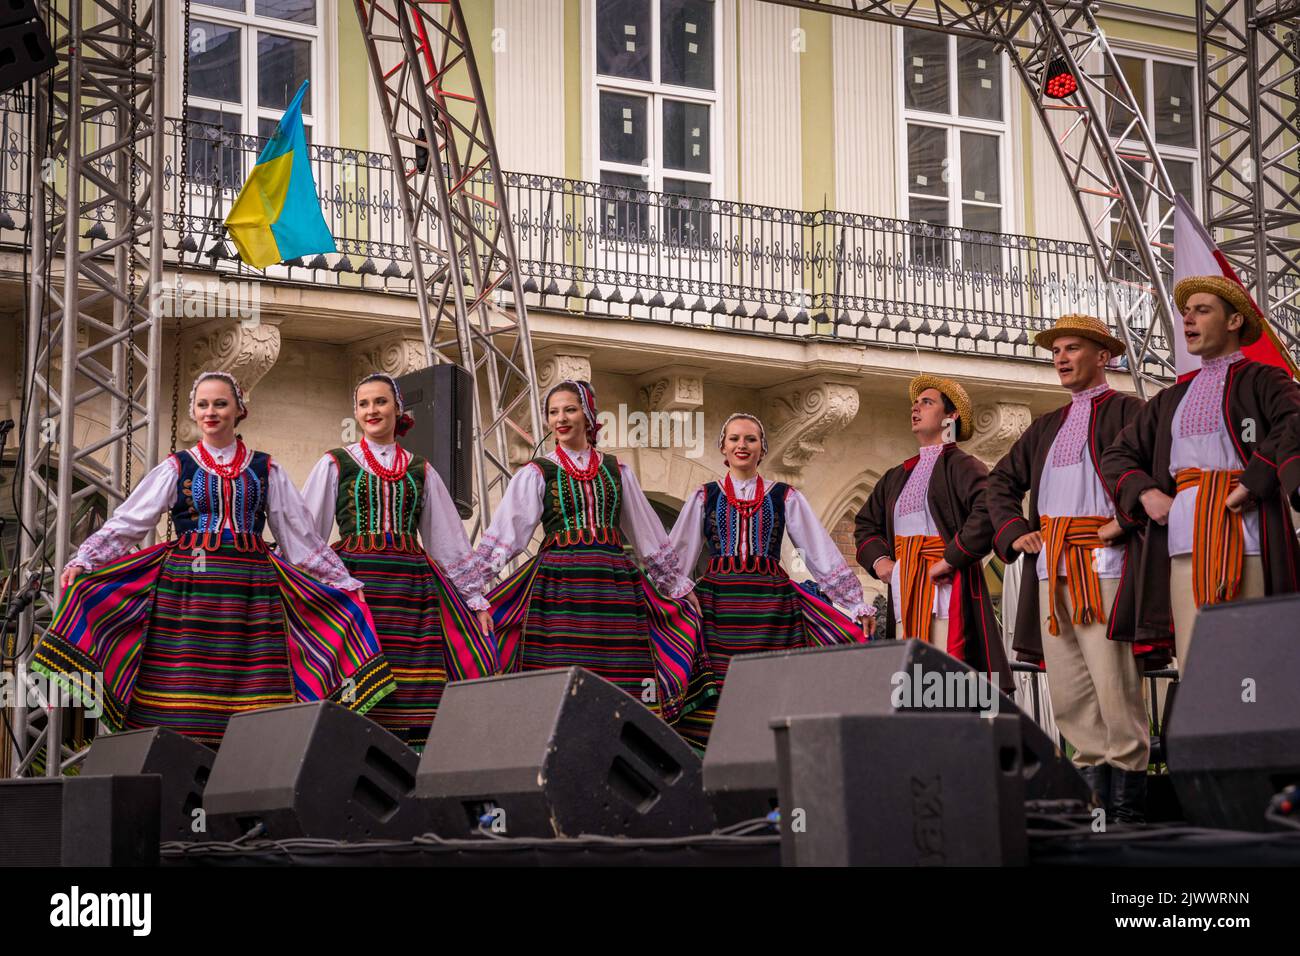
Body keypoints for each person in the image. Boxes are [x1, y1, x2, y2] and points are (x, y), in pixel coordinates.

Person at [32, 372, 395, 745]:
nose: (211, 412)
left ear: (239, 410)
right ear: (192, 411)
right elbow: (131, 521)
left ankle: (246, 769)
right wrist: (87, 559)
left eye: (220, 404)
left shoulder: (266, 468)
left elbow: (300, 537)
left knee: (253, 687)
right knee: (183, 684)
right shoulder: (176, 466)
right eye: (203, 405)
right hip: (186, 592)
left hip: (252, 597)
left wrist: (343, 584)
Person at [469, 379, 713, 729]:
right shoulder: (539, 472)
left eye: (569, 409)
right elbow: (507, 536)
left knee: (620, 672)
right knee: (561, 671)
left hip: (613, 590)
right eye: (553, 412)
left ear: (587, 414)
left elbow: (647, 535)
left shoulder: (617, 471)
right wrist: (473, 592)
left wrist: (678, 586)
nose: (561, 419)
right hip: (559, 590)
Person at [984, 314, 1149, 820]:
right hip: (1049, 568)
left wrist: (1126, 520)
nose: (1061, 357)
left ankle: (1128, 814)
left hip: (1105, 567)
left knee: (1114, 688)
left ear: (1104, 356)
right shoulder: (1044, 427)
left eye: (1073, 348)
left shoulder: (1132, 412)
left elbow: (1157, 471)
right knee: (1071, 696)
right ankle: (1097, 809)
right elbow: (998, 485)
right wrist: (1015, 532)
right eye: (1056, 350)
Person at [1101, 276, 1300, 670]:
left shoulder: (1264, 379)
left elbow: (1293, 422)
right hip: (1182, 542)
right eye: (1185, 312)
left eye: (1202, 310)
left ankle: (1251, 731)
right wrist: (1146, 494)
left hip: (1245, 540)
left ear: (1234, 322)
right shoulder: (1170, 398)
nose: (1188, 319)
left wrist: (1253, 481)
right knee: (1197, 664)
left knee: (1248, 662)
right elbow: (1117, 455)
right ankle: (1211, 732)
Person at [301, 373, 498, 747]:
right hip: (357, 587)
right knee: (359, 667)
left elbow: (447, 539)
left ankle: (412, 765)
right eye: (363, 404)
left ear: (397, 408)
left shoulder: (420, 469)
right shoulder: (336, 463)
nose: (371, 410)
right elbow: (307, 532)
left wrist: (475, 599)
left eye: (380, 402)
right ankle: (350, 755)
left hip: (412, 591)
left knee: (416, 675)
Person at [668, 413, 873, 746]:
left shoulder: (784, 496)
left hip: (773, 606)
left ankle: (771, 758)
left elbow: (818, 549)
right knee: (723, 686)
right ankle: (725, 757)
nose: (742, 445)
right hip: (720, 607)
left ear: (762, 449)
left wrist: (853, 602)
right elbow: (678, 555)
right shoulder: (704, 496)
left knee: (774, 684)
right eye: (734, 439)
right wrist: (671, 595)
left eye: (751, 439)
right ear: (723, 446)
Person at [854, 373, 1013, 691]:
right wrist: (882, 563)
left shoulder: (965, 466)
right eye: (915, 403)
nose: (916, 408)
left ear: (951, 416)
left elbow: (989, 511)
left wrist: (952, 558)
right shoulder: (895, 476)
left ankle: (954, 736)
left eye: (927, 402)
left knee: (948, 675)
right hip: (905, 587)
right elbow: (865, 524)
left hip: (948, 589)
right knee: (910, 678)